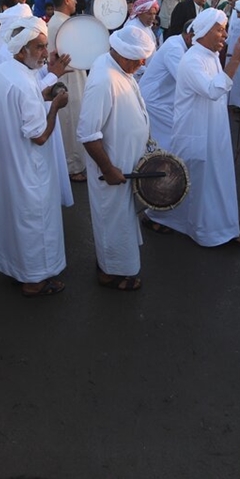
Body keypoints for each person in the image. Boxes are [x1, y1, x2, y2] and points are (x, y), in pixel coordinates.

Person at [145, 8, 240, 248]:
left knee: (213, 183)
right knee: (193, 183)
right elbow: (213, 90)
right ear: (204, 31)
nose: (224, 34)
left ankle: (221, 229)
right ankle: (203, 229)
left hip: (213, 131)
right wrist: (235, 59)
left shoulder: (209, 55)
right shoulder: (192, 59)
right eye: (219, 29)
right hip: (197, 132)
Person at [0, 16, 70, 297]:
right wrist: (56, 106)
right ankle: (34, 280)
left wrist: (53, 75)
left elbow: (32, 94)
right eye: (40, 48)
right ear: (22, 51)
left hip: (8, 165)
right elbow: (40, 135)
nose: (45, 54)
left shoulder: (7, 71)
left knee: (14, 221)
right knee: (35, 223)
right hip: (28, 168)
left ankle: (17, 269)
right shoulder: (22, 82)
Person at [78, 25, 156, 290]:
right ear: (122, 53)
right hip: (111, 170)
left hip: (125, 164)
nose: (142, 63)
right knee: (110, 220)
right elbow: (88, 134)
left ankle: (115, 264)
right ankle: (110, 273)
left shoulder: (118, 67)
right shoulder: (103, 79)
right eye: (138, 59)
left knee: (120, 219)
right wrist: (108, 168)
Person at [46, 0, 88, 182]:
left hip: (74, 76)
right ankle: (73, 166)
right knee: (70, 121)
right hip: (68, 77)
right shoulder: (60, 24)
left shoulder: (61, 22)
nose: (76, 1)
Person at [139, 19, 194, 151]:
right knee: (169, 138)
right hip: (154, 100)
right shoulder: (174, 48)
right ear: (189, 36)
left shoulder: (179, 44)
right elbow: (186, 80)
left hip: (162, 99)